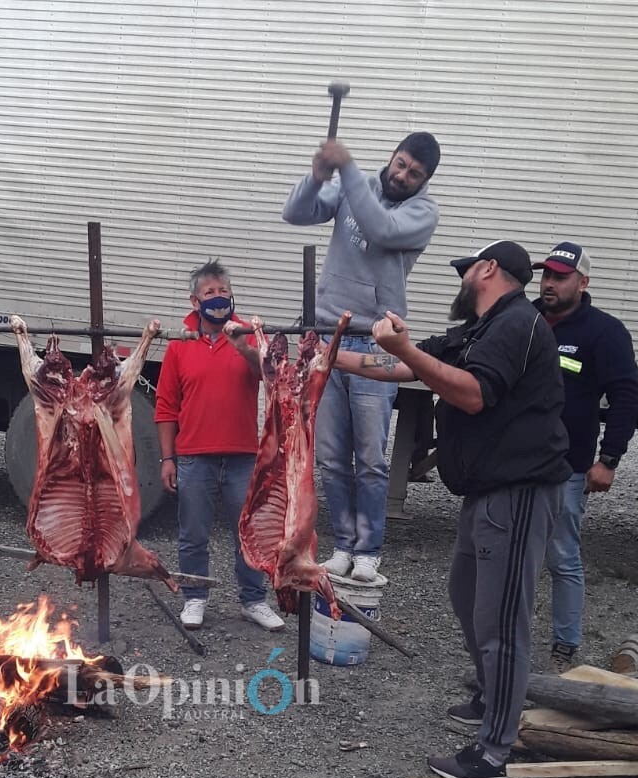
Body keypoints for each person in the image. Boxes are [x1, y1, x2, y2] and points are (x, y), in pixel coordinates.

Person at [331, 240, 570, 778]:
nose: (460, 284)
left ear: (488, 270)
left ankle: (493, 754)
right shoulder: (480, 330)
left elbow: (473, 395)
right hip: (485, 491)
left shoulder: (516, 324)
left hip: (519, 490)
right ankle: (490, 695)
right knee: (466, 595)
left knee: (501, 622)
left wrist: (409, 350)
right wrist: (324, 357)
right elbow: (399, 365)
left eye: (466, 273)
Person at [282, 131, 441, 582]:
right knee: (331, 456)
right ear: (392, 157)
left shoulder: (422, 213)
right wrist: (316, 177)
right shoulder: (361, 186)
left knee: (370, 458)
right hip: (329, 338)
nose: (403, 175)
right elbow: (294, 213)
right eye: (401, 163)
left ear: (424, 181)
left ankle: (368, 550)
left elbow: (380, 229)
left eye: (415, 173)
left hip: (377, 342)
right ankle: (344, 545)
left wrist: (346, 167)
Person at [154, 258, 285, 633]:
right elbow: (166, 406)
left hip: (243, 455)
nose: (218, 298)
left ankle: (253, 600)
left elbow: (271, 376)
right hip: (194, 457)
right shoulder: (181, 345)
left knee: (248, 532)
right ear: (195, 302)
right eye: (209, 293)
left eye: (223, 292)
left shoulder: (247, 337)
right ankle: (195, 597)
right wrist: (168, 458)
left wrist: (240, 343)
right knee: (192, 532)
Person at [532, 241, 638, 666]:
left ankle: (565, 642)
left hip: (567, 467)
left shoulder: (603, 332)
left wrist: (609, 458)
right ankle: (504, 631)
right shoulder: (524, 320)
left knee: (561, 554)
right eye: (546, 275)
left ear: (583, 282)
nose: (549, 283)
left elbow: (626, 397)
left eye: (560, 276)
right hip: (515, 463)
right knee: (512, 554)